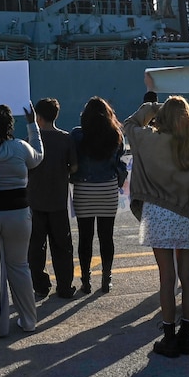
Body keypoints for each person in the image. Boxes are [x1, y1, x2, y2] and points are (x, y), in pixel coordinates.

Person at [126, 90, 189, 360]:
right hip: (187, 214)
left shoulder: (150, 140)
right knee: (187, 276)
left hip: (159, 214)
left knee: (166, 278)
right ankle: (187, 335)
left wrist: (151, 106)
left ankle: (169, 336)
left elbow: (129, 126)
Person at [0, 102, 43, 338]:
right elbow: (38, 157)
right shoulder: (20, 148)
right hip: (19, 214)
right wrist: (33, 124)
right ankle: (29, 320)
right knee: (20, 267)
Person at [70, 96, 127, 294]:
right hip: (107, 189)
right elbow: (120, 161)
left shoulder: (77, 135)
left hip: (84, 190)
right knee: (106, 236)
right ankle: (106, 278)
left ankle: (86, 280)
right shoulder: (115, 134)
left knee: (85, 237)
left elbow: (72, 161)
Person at [27, 97, 79, 299]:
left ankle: (40, 286)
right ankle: (65, 286)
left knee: (36, 248)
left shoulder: (32, 139)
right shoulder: (66, 138)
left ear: (37, 117)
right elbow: (74, 167)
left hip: (35, 201)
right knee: (62, 247)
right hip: (58, 202)